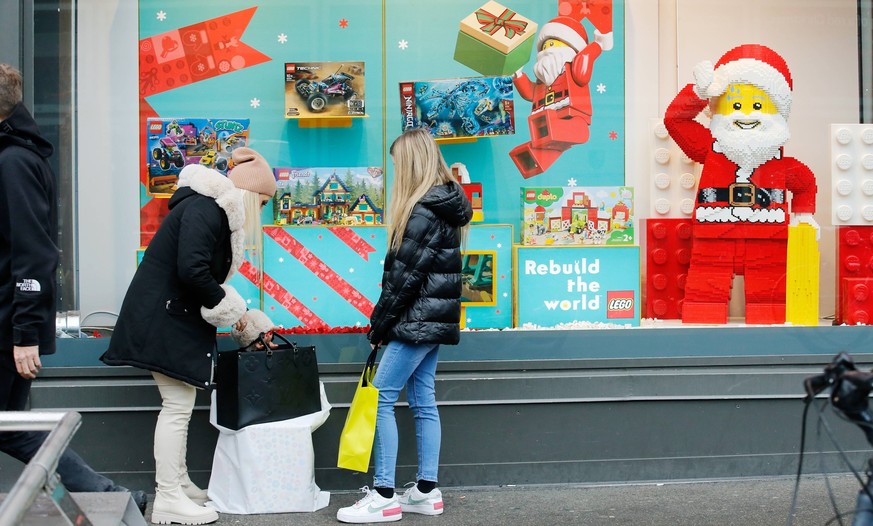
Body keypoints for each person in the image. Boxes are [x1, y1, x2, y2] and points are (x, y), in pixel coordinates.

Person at [101, 147, 277, 525]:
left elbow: (196, 274)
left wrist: (242, 321)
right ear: (247, 194)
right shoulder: (206, 210)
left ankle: (178, 485)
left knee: (178, 403)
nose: (261, 211)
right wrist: (236, 317)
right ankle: (167, 497)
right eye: (262, 202)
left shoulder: (206, 209)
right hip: (163, 320)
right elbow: (194, 271)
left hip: (167, 317)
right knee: (177, 405)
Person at [0, 63, 147, 512]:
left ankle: (111, 497)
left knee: (15, 427)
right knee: (14, 427)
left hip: (7, 326)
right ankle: (115, 498)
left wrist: (25, 335)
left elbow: (34, 252)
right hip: (10, 323)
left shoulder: (13, 161)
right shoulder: (16, 156)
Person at [336, 128, 473, 524]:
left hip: (414, 323)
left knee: (380, 398)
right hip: (433, 323)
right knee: (423, 401)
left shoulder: (422, 210)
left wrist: (378, 327)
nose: (396, 171)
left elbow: (403, 281)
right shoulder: (445, 207)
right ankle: (426, 492)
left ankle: (383, 494)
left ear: (411, 163)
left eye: (399, 163)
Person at [663, 44, 818, 324]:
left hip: (768, 237)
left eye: (757, 106)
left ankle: (768, 333)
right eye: (736, 106)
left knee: (769, 299)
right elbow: (675, 120)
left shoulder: (778, 162)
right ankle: (703, 332)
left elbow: (804, 182)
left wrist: (804, 215)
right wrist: (699, 92)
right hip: (714, 236)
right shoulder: (710, 149)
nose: (746, 114)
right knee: (704, 298)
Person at [510, 15, 612, 178]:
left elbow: (582, 74)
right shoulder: (544, 77)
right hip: (546, 122)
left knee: (556, 135)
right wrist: (518, 75)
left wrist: (596, 46)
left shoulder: (571, 68)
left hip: (573, 119)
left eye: (554, 43)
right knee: (547, 143)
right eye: (545, 45)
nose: (548, 49)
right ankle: (532, 157)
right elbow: (530, 93)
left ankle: (547, 141)